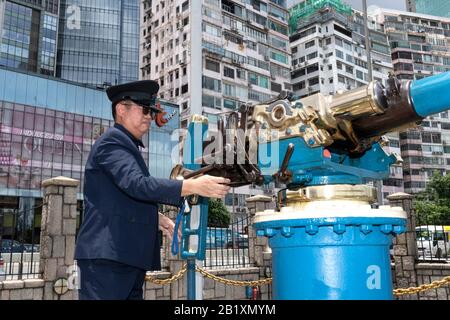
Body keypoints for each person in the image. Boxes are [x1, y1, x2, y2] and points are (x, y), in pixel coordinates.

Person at [74, 80, 230, 300]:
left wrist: (160, 220)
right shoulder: (112, 142)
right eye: (145, 109)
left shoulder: (126, 146)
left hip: (123, 257)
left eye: (152, 111)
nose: (149, 116)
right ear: (121, 109)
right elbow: (137, 184)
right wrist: (191, 185)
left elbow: (120, 199)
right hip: (108, 259)